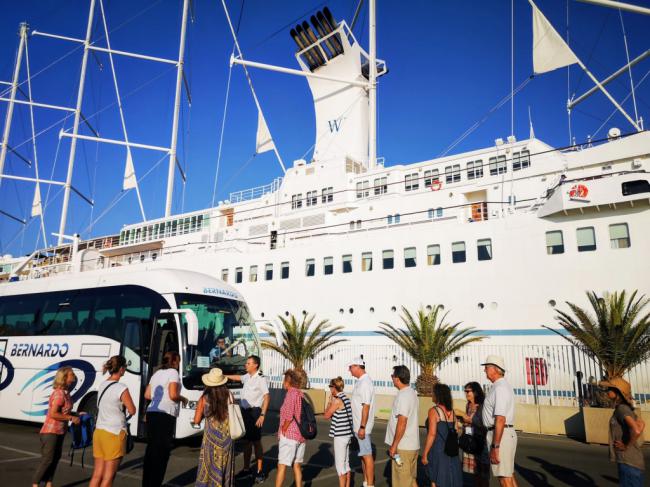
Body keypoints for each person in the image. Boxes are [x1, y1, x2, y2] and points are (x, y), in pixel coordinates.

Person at [143, 351, 188, 487]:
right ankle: (155, 483)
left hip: (152, 412)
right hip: (165, 414)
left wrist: (159, 399)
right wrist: (183, 398)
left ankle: (147, 483)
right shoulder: (173, 373)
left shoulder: (156, 373)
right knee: (162, 452)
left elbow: (147, 395)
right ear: (174, 361)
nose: (179, 364)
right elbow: (173, 394)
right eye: (179, 361)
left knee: (151, 450)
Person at [90, 355, 136, 487]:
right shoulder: (121, 387)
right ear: (121, 369)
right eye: (125, 367)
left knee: (97, 474)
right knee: (109, 477)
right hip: (114, 433)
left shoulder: (103, 384)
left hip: (99, 432)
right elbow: (132, 410)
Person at [32, 366, 80, 487]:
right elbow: (53, 414)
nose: (73, 376)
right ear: (64, 378)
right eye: (71, 374)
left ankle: (49, 484)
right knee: (47, 460)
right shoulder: (59, 394)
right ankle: (35, 484)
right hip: (50, 431)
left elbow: (64, 412)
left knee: (55, 458)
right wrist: (71, 418)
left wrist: (77, 414)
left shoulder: (66, 393)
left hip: (60, 431)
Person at [225, 355, 270, 483]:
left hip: (255, 412)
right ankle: (246, 469)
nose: (246, 365)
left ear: (255, 365)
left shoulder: (261, 379)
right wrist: (226, 376)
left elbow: (267, 397)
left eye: (248, 363)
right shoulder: (247, 376)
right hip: (245, 412)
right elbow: (238, 378)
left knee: (256, 442)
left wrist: (262, 415)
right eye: (246, 363)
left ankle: (259, 471)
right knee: (246, 442)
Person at [600, 377, 645, 486]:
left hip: (628, 462)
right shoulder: (627, 408)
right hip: (633, 462)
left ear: (618, 393)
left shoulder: (621, 409)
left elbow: (637, 430)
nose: (606, 391)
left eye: (609, 389)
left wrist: (626, 446)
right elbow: (642, 424)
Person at [481, 355, 518, 487]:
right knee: (508, 475)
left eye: (486, 367)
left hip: (500, 435)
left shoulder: (500, 388)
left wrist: (495, 446)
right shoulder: (500, 386)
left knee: (504, 478)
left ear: (495, 369)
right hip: (502, 434)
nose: (484, 370)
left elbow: (500, 418)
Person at [194, 368, 234, 487]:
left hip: (210, 439)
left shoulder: (204, 398)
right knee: (225, 465)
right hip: (227, 438)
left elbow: (196, 420)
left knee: (209, 466)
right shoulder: (229, 395)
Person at [422, 383, 462, 487]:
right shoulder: (452, 412)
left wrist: (425, 453)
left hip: (438, 449)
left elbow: (432, 434)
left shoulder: (434, 411)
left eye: (433, 392)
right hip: (451, 450)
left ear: (438, 395)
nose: (432, 395)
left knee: (435, 479)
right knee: (451, 479)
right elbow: (457, 430)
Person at [385, 365, 419, 487]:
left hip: (403, 447)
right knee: (410, 480)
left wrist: (394, 445)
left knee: (402, 482)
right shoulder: (411, 392)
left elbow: (402, 422)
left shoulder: (404, 395)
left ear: (397, 378)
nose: (392, 378)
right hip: (411, 446)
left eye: (392, 376)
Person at [348, 356, 376, 487]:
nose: (349, 370)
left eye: (351, 367)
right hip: (358, 425)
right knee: (363, 455)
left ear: (358, 367)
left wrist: (362, 427)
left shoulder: (365, 383)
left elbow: (366, 406)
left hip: (362, 426)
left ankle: (369, 484)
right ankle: (366, 481)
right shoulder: (360, 381)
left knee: (367, 455)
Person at [276, 369, 306, 487]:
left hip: (290, 435)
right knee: (297, 465)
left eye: (284, 380)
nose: (283, 383)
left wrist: (283, 429)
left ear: (288, 382)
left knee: (281, 466)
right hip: (300, 436)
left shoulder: (291, 394)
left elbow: (289, 415)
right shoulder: (300, 393)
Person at [324, 376, 353, 487]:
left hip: (340, 436)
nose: (330, 389)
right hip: (347, 435)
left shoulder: (337, 400)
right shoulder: (346, 398)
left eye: (330, 387)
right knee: (346, 465)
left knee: (340, 467)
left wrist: (329, 402)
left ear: (334, 387)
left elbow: (326, 415)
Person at [461, 382, 489, 487]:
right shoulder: (468, 405)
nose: (466, 393)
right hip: (470, 442)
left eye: (468, 391)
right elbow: (467, 423)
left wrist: (468, 419)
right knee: (475, 474)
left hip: (481, 442)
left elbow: (483, 424)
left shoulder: (482, 406)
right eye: (465, 391)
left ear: (475, 392)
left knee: (483, 475)